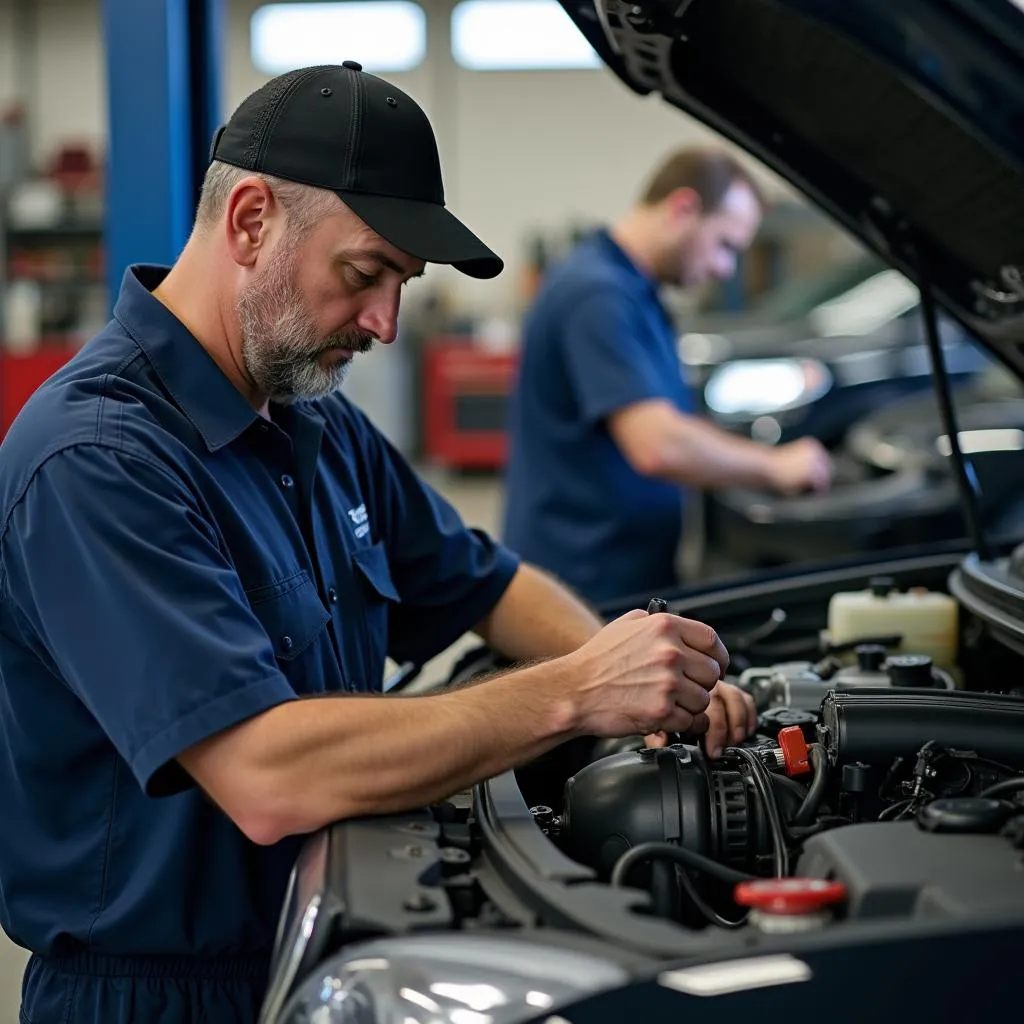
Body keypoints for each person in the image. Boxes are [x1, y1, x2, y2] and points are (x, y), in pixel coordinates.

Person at [0, 66, 757, 1024]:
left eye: (403, 284)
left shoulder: (318, 425)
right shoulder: (97, 461)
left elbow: (490, 586)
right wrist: (578, 692)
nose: (386, 324)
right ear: (249, 221)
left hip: (332, 945)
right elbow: (270, 774)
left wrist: (643, 682)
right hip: (165, 995)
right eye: (364, 274)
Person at [503, 147, 833, 606]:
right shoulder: (597, 295)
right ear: (683, 208)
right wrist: (776, 467)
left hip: (613, 578)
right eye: (725, 245)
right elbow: (658, 444)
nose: (725, 269)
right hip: (584, 591)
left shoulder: (632, 290)